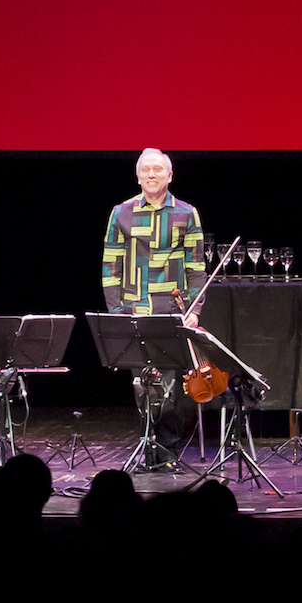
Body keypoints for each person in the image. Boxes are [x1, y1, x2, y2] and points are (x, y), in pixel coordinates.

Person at [100, 148, 206, 471]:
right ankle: (148, 450)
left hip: (172, 312)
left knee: (172, 388)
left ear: (169, 175)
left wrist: (195, 309)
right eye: (145, 170)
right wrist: (117, 311)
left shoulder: (187, 214)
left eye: (158, 169)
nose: (151, 175)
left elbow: (197, 267)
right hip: (135, 310)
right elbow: (110, 267)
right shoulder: (121, 213)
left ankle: (168, 454)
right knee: (143, 384)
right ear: (137, 176)